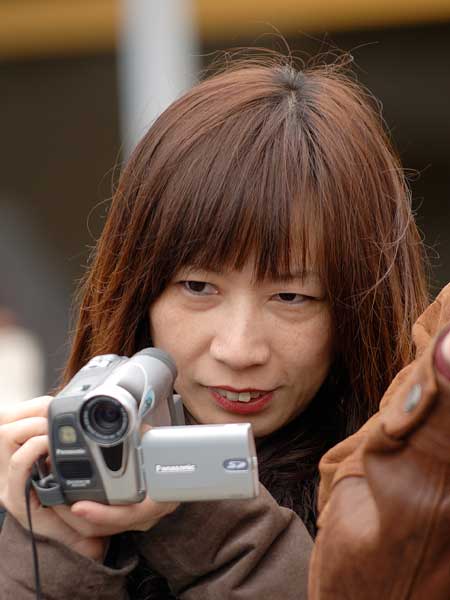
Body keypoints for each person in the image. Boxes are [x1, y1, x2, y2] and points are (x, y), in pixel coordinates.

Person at [0, 53, 449, 599]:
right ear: (137, 290)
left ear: (356, 311)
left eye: (291, 296)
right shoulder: (39, 481)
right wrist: (55, 552)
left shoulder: (414, 505)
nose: (238, 349)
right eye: (197, 287)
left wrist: (188, 503)